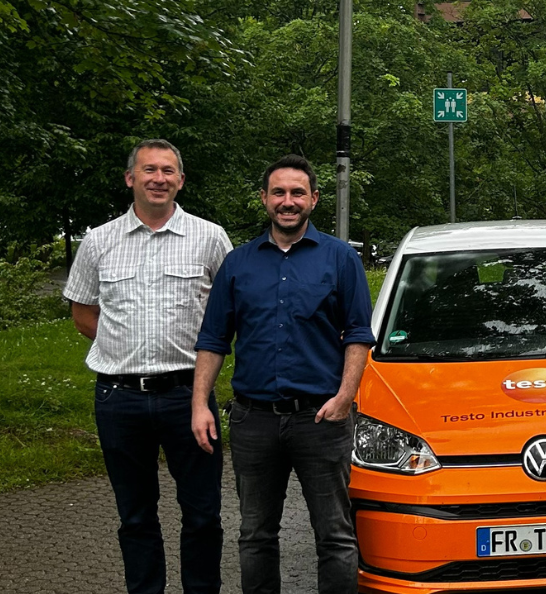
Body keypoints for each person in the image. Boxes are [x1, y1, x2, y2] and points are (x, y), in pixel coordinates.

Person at [191, 155, 374, 594]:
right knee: (255, 535)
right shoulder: (238, 264)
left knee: (335, 535)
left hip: (322, 419)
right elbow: (214, 339)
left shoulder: (340, 258)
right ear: (264, 199)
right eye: (278, 193)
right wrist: (200, 403)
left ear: (313, 199)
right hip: (254, 422)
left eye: (296, 193)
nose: (287, 201)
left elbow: (359, 334)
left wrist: (346, 396)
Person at [63, 139, 232, 594]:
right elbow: (83, 312)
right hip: (119, 400)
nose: (159, 178)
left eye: (168, 171)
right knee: (135, 516)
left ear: (180, 180)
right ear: (130, 178)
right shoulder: (99, 241)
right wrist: (126, 345)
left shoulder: (210, 237)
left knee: (202, 515)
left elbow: (226, 312)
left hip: (189, 397)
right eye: (149, 170)